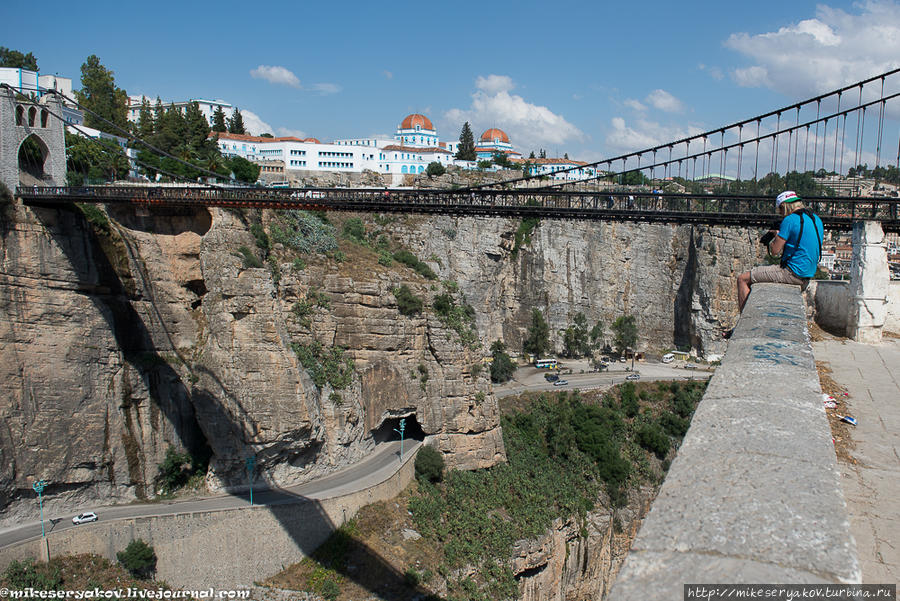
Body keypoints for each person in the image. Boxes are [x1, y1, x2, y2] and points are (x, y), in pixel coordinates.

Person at [736, 190, 823, 313]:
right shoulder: (816, 219)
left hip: (792, 274)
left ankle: (744, 320)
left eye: (780, 210)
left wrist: (777, 235)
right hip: (807, 276)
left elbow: (775, 251)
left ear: (784, 206)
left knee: (742, 279)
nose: (781, 214)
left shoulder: (790, 220)